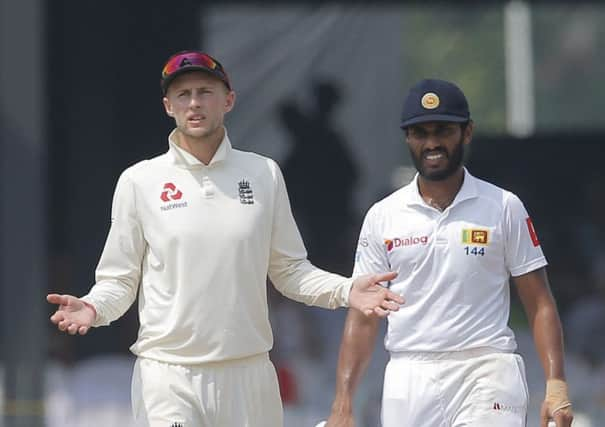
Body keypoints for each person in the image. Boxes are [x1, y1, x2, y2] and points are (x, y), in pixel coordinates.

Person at [46, 50, 403, 427]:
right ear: (168, 106)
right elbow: (119, 280)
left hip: (248, 376)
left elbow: (290, 271)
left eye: (205, 91)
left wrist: (347, 291)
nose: (195, 103)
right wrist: (94, 307)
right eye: (183, 94)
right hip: (169, 374)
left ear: (228, 100)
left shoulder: (264, 174)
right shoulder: (140, 181)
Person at [325, 79, 573, 427]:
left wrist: (556, 384)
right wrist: (343, 403)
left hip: (487, 369)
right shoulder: (383, 216)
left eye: (443, 130)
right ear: (407, 138)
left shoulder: (503, 206)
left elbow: (539, 301)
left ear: (466, 132)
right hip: (410, 374)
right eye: (420, 133)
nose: (432, 143)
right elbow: (364, 316)